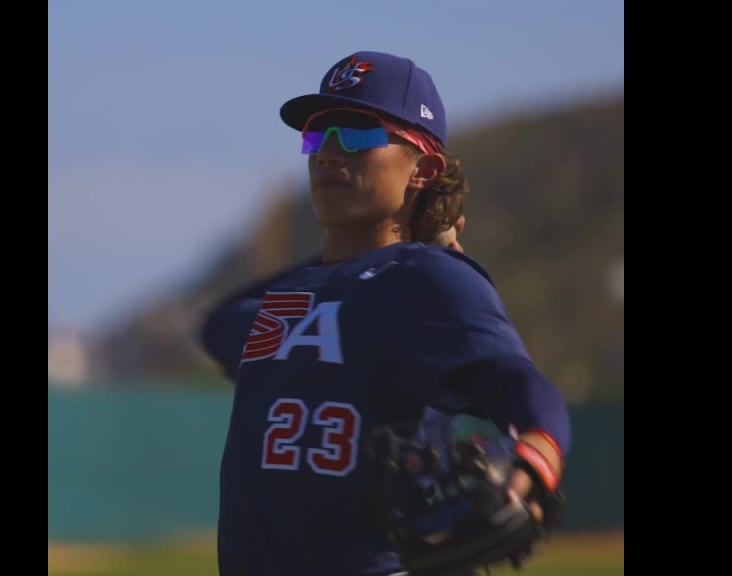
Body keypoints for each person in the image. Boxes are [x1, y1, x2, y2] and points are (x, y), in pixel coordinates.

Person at [199, 50, 571, 576]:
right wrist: (345, 259)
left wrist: (535, 460)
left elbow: (520, 386)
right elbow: (221, 323)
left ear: (423, 169)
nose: (328, 153)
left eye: (355, 133)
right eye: (316, 135)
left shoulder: (427, 279)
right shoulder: (295, 294)